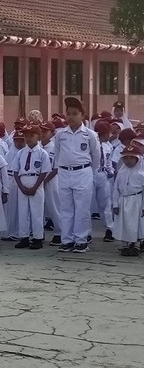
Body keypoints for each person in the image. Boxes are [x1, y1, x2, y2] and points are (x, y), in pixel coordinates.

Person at [54, 97, 101, 253]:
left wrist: (89, 172)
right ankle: (67, 240)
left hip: (83, 172)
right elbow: (58, 154)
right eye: (68, 114)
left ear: (82, 115)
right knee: (66, 208)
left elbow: (96, 156)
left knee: (82, 208)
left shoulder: (90, 135)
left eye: (75, 113)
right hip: (65, 172)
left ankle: (81, 240)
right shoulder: (60, 134)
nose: (71, 117)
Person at [12, 125, 50, 250]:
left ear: (38, 136)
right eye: (26, 136)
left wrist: (35, 187)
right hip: (23, 180)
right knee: (23, 212)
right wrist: (21, 186)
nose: (28, 138)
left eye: (31, 135)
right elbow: (15, 171)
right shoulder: (21, 153)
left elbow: (44, 172)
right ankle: (24, 237)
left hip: (36, 181)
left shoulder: (42, 153)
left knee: (37, 212)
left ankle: (38, 238)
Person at [112, 143, 144, 256]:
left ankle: (135, 244)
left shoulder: (141, 172)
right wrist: (115, 203)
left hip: (137, 201)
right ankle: (126, 245)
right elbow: (116, 188)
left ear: (138, 159)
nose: (128, 161)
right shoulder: (122, 171)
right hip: (123, 200)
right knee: (124, 224)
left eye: (132, 158)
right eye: (126, 158)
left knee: (135, 224)